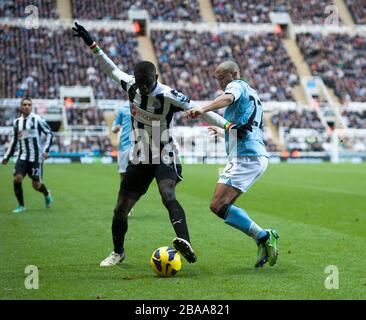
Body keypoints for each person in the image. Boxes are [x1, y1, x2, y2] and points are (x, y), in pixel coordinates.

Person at [73, 22, 236, 267]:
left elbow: (200, 110)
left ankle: (185, 242)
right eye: (141, 84)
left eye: (148, 84)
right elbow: (109, 68)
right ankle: (118, 252)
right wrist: (91, 42)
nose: (144, 88)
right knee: (120, 209)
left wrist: (227, 126)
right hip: (139, 155)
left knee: (167, 193)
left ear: (156, 78)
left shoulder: (169, 94)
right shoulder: (130, 85)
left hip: (164, 152)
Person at [187, 61, 279, 268]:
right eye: (217, 78)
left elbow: (228, 97)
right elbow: (246, 126)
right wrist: (223, 132)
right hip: (254, 155)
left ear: (234, 73)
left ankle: (264, 236)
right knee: (225, 205)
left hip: (246, 157)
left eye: (222, 77)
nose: (220, 83)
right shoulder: (252, 93)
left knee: (217, 205)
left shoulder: (236, 86)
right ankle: (262, 239)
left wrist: (203, 109)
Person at [2, 97, 53, 213]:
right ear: (21, 107)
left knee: (36, 185)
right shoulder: (16, 122)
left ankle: (46, 193)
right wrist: (6, 156)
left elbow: (49, 133)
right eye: (24, 104)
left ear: (31, 106)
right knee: (17, 179)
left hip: (36, 158)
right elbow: (14, 140)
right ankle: (21, 206)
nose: (26, 106)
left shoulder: (38, 119)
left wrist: (46, 150)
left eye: (29, 104)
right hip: (22, 156)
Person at [112, 104, 132, 181]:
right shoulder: (123, 108)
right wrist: (116, 128)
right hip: (125, 145)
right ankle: (123, 192)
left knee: (140, 173)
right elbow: (114, 127)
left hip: (140, 144)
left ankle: (138, 192)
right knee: (123, 172)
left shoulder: (144, 106)